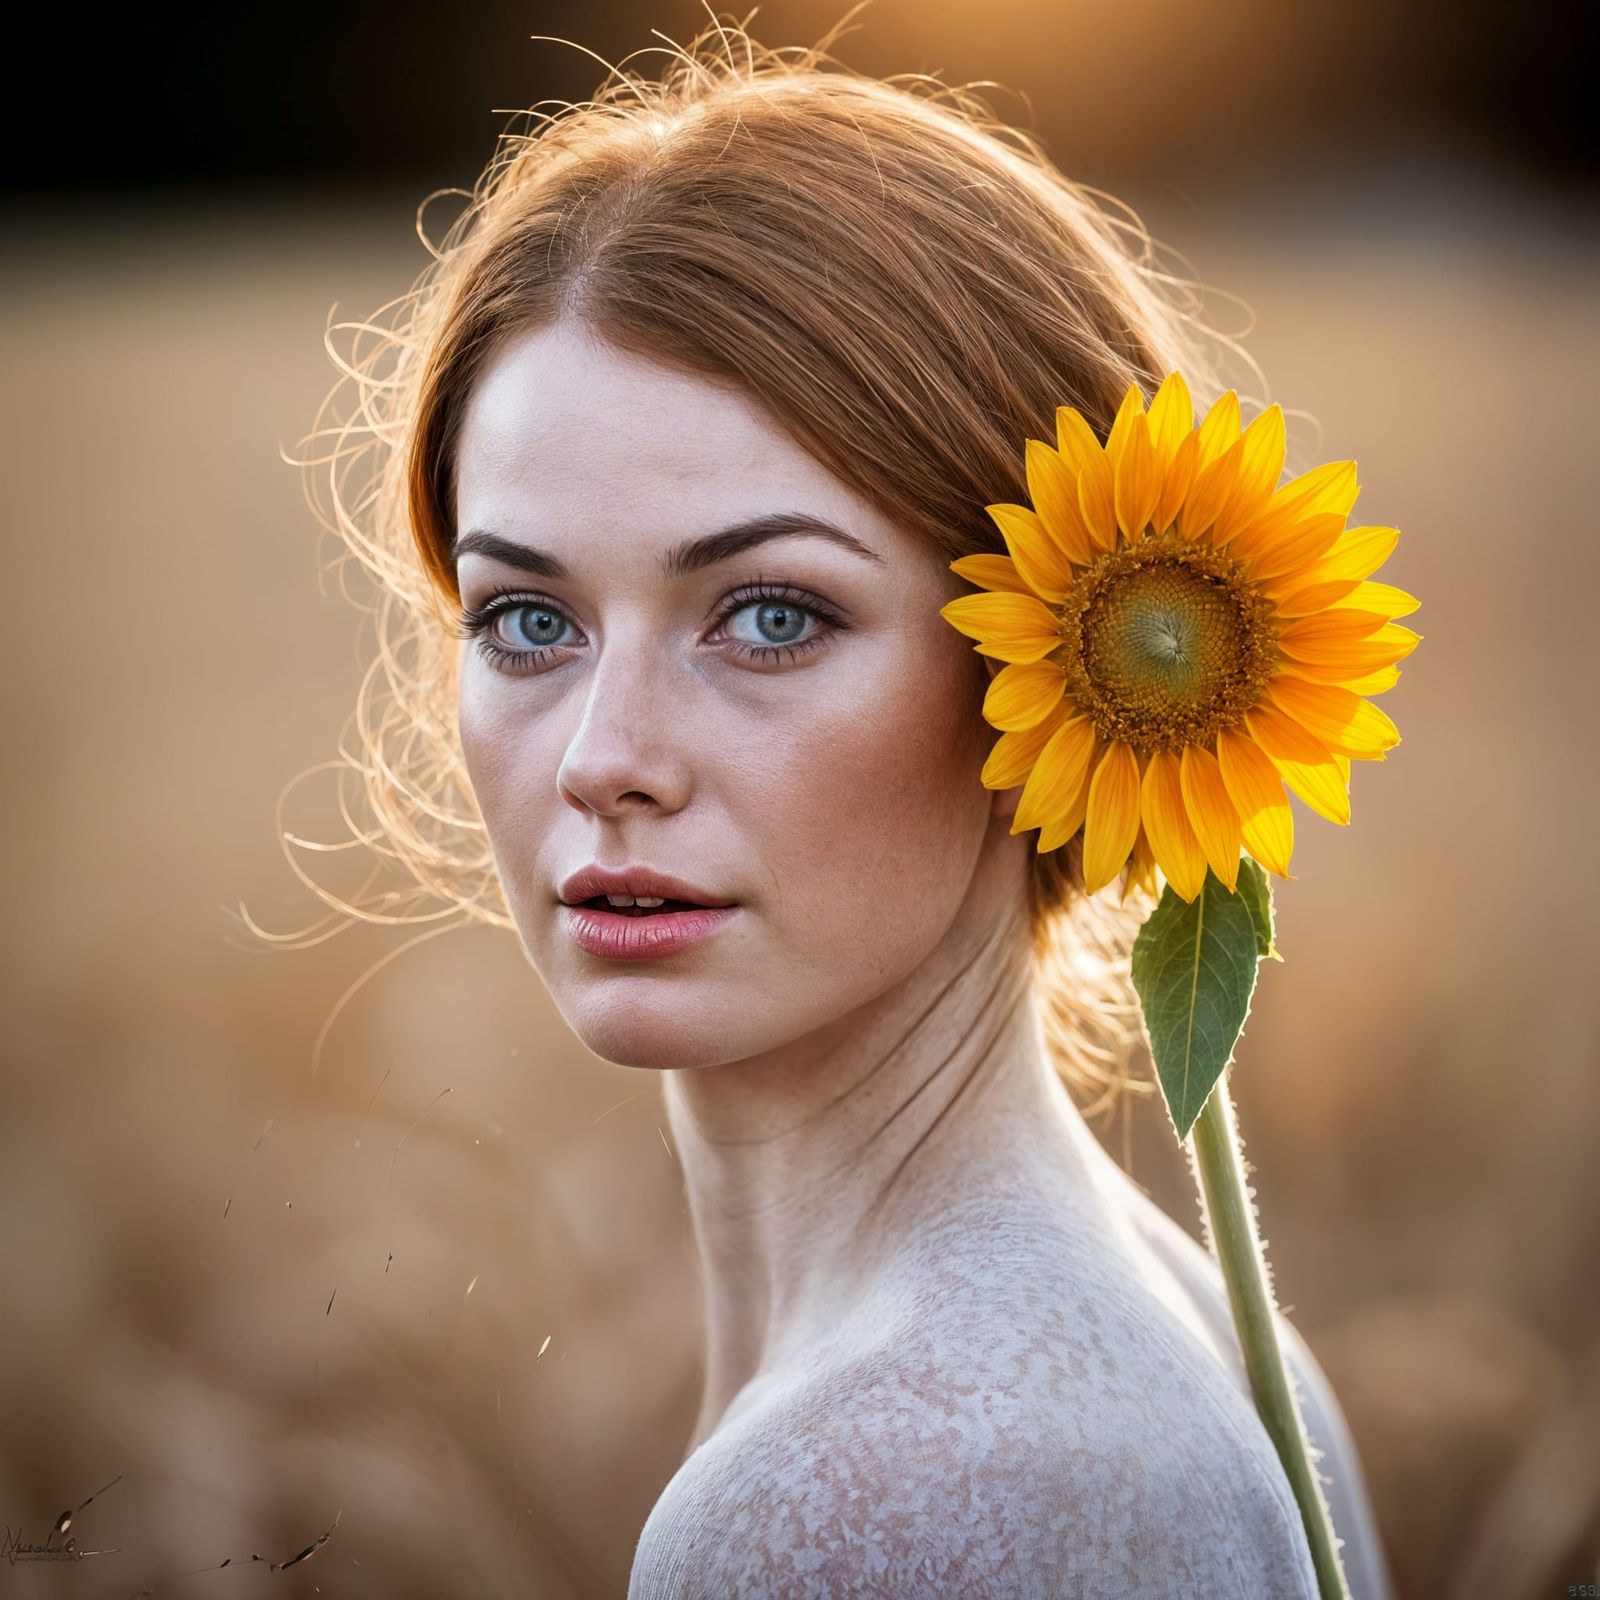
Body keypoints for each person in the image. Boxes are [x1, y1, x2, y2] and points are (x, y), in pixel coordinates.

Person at [307, 17, 1394, 1598]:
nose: (604, 755)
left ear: (1073, 662)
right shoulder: (1211, 1334)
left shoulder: (905, 1489)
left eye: (771, 615)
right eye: (527, 620)